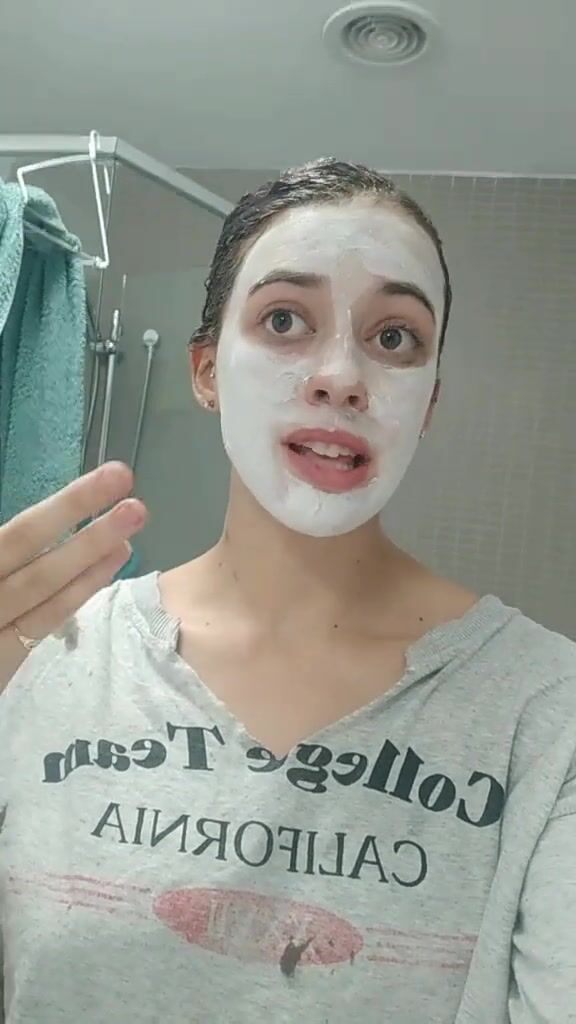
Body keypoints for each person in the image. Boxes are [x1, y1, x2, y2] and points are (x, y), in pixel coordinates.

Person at [0, 158, 574, 1024]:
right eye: (283, 319)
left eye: (394, 338)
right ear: (206, 371)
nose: (341, 376)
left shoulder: (547, 717)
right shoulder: (40, 662)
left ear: (427, 404)